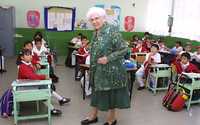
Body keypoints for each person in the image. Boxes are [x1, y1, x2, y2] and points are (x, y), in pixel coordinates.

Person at [81, 7, 130, 125]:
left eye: (97, 18)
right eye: (92, 19)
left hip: (111, 71)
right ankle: (93, 116)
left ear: (103, 18)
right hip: (98, 71)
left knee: (111, 95)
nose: (94, 21)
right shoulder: (95, 33)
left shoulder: (112, 30)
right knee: (96, 94)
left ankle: (112, 119)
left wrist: (108, 58)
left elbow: (124, 49)